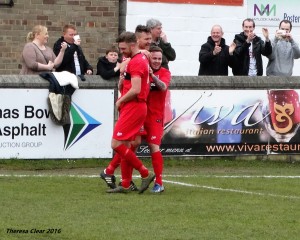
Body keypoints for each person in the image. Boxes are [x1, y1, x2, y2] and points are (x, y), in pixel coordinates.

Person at [100, 25, 152, 191]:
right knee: (127, 144)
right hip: (135, 105)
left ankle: (144, 172)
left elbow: (136, 89)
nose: (122, 53)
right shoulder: (138, 59)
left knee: (116, 144)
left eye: (123, 49)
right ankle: (124, 183)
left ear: (132, 44)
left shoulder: (136, 61)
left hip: (134, 105)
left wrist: (119, 100)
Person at [144, 46, 171, 192]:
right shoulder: (141, 70)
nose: (157, 61)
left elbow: (163, 87)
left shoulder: (165, 72)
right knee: (130, 145)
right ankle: (126, 181)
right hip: (139, 115)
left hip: (155, 117)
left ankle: (159, 182)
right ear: (149, 58)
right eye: (154, 58)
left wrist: (152, 77)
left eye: (159, 59)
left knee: (154, 147)